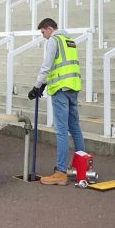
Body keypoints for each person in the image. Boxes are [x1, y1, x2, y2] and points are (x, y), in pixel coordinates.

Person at [28, 18, 86, 185]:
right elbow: (62, 65)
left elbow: (47, 66)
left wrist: (36, 86)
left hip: (60, 89)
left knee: (61, 130)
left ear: (50, 28)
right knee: (75, 128)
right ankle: (82, 168)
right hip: (73, 87)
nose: (43, 36)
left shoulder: (54, 40)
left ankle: (61, 172)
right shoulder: (70, 41)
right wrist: (44, 84)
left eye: (43, 32)